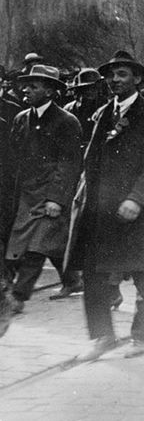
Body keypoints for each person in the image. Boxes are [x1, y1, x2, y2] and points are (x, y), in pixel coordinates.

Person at [66, 50, 144, 361]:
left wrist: (136, 199)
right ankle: (102, 337)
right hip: (101, 210)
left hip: (139, 210)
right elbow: (91, 161)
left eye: (122, 74)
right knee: (94, 275)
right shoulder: (102, 115)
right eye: (111, 75)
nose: (114, 80)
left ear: (137, 79)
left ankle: (141, 336)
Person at [4, 65, 82, 314]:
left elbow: (69, 163)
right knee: (47, 243)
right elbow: (14, 158)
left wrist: (56, 198)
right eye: (25, 85)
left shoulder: (67, 122)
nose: (25, 90)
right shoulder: (21, 118)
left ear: (50, 91)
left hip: (50, 194)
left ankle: (18, 296)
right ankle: (72, 280)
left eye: (33, 86)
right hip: (26, 194)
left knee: (36, 248)